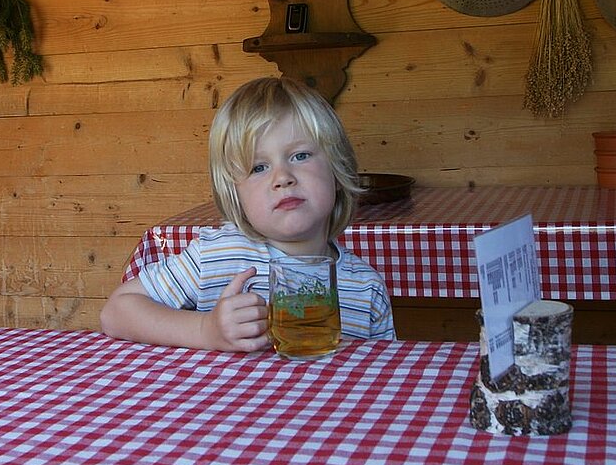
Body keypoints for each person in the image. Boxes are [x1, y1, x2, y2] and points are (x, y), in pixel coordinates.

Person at [101, 76, 396, 352]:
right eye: (258, 167)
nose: (282, 177)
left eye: (300, 156)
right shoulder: (216, 256)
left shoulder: (366, 288)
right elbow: (117, 311)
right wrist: (205, 330)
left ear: (337, 167)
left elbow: (386, 375)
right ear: (234, 193)